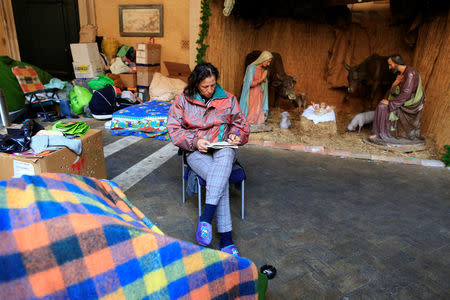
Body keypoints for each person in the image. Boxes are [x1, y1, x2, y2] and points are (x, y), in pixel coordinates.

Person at [167, 62, 249, 257]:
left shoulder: (228, 99)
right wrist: (195, 142)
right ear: (196, 84)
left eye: (213, 85)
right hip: (197, 151)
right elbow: (174, 129)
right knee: (218, 179)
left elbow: (241, 125)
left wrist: (236, 135)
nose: (210, 90)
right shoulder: (183, 101)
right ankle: (226, 239)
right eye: (205, 86)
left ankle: (206, 217)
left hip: (223, 148)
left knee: (226, 155)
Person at [370, 54, 425, 140]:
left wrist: (390, 103)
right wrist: (395, 83)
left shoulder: (410, 74)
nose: (389, 67)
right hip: (402, 100)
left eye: (390, 64)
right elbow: (395, 92)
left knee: (383, 107)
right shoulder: (402, 74)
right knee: (382, 104)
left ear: (396, 63)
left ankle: (385, 134)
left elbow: (406, 94)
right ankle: (378, 133)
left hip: (410, 104)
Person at [239, 50, 273, 124]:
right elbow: (250, 84)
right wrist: (262, 78)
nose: (268, 64)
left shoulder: (264, 70)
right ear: (263, 59)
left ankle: (258, 122)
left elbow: (264, 83)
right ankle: (250, 122)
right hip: (252, 93)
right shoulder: (251, 68)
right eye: (268, 61)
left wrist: (264, 80)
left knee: (258, 110)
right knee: (252, 111)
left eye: (269, 62)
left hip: (260, 93)